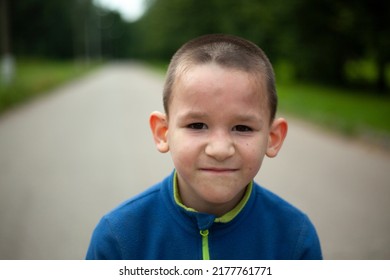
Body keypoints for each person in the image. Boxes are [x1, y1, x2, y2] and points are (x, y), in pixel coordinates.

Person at [86, 34, 322, 260]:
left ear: (273, 138)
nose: (219, 150)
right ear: (163, 133)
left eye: (242, 128)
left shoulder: (294, 239)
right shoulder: (119, 238)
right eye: (197, 125)